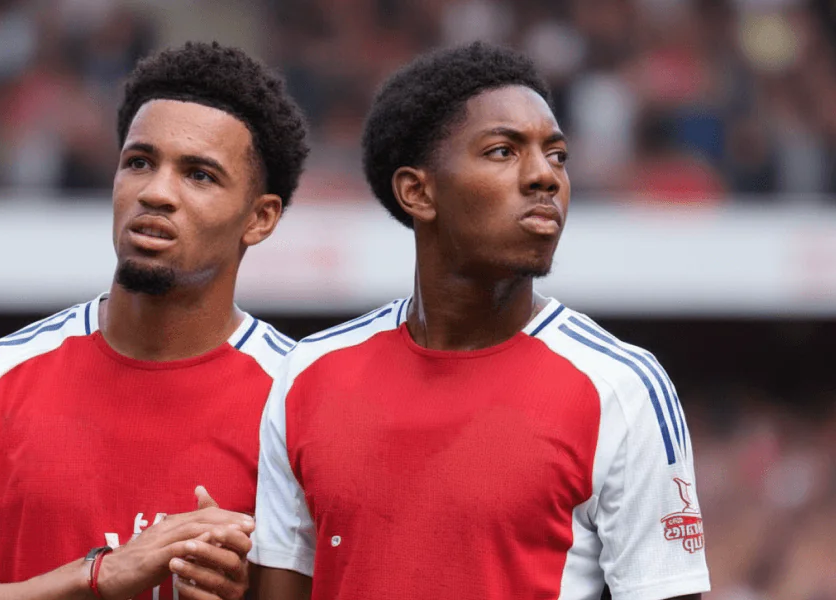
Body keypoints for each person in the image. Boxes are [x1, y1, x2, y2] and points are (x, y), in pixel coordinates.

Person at [249, 42, 710, 600]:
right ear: (418, 191)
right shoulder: (308, 375)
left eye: (557, 155)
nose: (545, 176)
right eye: (502, 151)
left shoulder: (624, 387)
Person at [0, 41, 308, 600]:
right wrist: (100, 576)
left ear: (260, 218)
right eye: (139, 162)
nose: (156, 192)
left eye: (199, 175)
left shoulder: (300, 398)